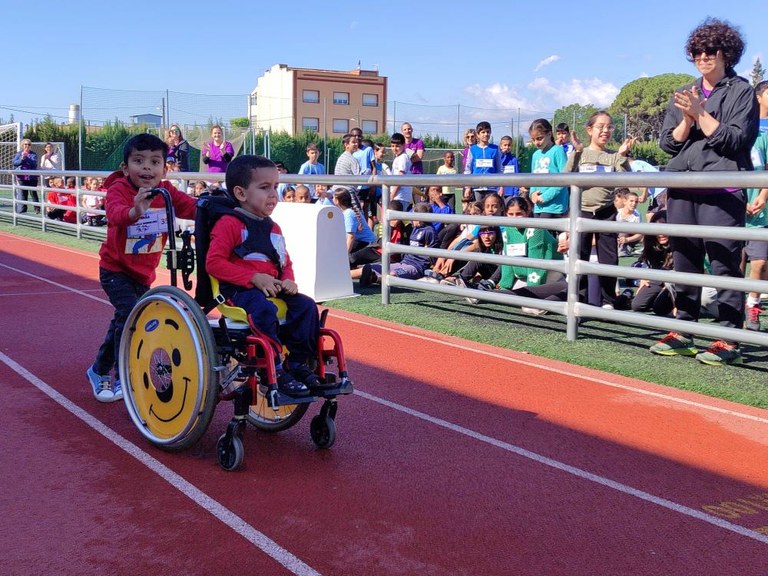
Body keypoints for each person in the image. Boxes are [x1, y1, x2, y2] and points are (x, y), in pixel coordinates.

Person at [650, 17, 759, 366]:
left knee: (725, 264)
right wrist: (686, 118)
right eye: (696, 51)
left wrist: (701, 114)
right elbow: (668, 144)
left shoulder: (741, 90)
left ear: (726, 53)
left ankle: (728, 336)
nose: (702, 56)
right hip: (683, 185)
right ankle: (684, 331)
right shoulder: (684, 91)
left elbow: (735, 140)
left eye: (710, 50)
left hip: (722, 188)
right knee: (684, 262)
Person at [86, 134, 197, 402]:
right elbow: (115, 215)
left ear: (164, 168)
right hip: (115, 271)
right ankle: (120, 374)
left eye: (154, 162)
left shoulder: (167, 191)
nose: (147, 168)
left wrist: (221, 205)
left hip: (143, 273)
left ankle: (97, 368)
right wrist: (136, 210)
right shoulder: (119, 190)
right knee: (131, 317)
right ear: (125, 167)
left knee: (122, 321)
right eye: (138, 161)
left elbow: (192, 207)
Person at [206, 155, 325, 397]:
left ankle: (298, 363)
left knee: (307, 306)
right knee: (263, 310)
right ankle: (275, 367)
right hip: (238, 291)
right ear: (240, 193)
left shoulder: (273, 228)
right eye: (264, 188)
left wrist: (289, 280)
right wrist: (253, 278)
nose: (273, 194)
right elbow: (214, 263)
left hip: (272, 286)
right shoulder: (229, 224)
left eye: (275, 187)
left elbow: (284, 261)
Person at [565, 111, 634, 308]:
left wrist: (621, 156)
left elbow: (627, 180)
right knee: (580, 256)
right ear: (589, 130)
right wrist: (577, 152)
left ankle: (608, 300)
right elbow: (566, 175)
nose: (605, 131)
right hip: (582, 211)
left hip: (606, 212)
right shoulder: (580, 152)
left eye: (609, 127)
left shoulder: (613, 156)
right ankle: (579, 299)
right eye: (600, 127)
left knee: (609, 258)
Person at [360, 203, 438, 285]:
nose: (411, 218)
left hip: (416, 267)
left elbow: (433, 253)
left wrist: (433, 269)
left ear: (419, 218)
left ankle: (375, 279)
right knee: (374, 268)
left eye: (413, 215)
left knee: (395, 273)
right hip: (404, 262)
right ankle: (371, 276)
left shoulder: (429, 231)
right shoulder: (413, 228)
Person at [744, 80, 768, 331]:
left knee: (760, 262)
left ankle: (753, 307)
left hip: (762, 210)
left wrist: (763, 195)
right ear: (758, 97)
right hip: (734, 205)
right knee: (732, 265)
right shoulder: (744, 127)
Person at [528, 119, 569, 219]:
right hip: (538, 206)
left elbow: (564, 179)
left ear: (549, 134)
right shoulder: (535, 155)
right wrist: (532, 194)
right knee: (537, 233)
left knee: (545, 233)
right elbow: (533, 178)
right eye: (533, 140)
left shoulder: (558, 151)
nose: (536, 143)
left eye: (539, 138)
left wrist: (545, 197)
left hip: (554, 206)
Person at [332, 186, 377, 267]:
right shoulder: (346, 212)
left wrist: (343, 256)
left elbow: (351, 237)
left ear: (337, 200)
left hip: (368, 245)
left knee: (348, 259)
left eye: (333, 197)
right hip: (360, 244)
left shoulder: (349, 213)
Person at [463, 121, 503, 201]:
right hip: (477, 187)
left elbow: (499, 169)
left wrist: (501, 186)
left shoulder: (495, 148)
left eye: (488, 132)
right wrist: (468, 187)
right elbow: (468, 168)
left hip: (492, 186)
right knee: (479, 209)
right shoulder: (473, 149)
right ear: (478, 134)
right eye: (483, 132)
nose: (486, 134)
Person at [12, 139, 39, 214]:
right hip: (22, 177)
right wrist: (21, 159)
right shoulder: (18, 153)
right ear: (22, 145)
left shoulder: (33, 154)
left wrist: (26, 157)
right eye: (25, 144)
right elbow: (15, 163)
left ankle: (37, 208)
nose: (27, 146)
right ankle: (23, 209)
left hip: (32, 177)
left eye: (29, 144)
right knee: (23, 193)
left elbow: (34, 164)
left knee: (33, 192)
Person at [615, 188, 644, 257]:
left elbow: (640, 234)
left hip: (628, 237)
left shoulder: (637, 215)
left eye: (636, 202)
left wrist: (627, 239)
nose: (634, 204)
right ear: (625, 201)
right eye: (631, 201)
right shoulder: (617, 212)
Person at [388, 132, 413, 209]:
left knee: (395, 219)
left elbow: (400, 177)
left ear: (403, 145)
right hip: (399, 195)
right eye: (392, 146)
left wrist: (392, 194)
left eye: (397, 146)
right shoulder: (398, 157)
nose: (394, 148)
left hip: (400, 196)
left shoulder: (403, 158)